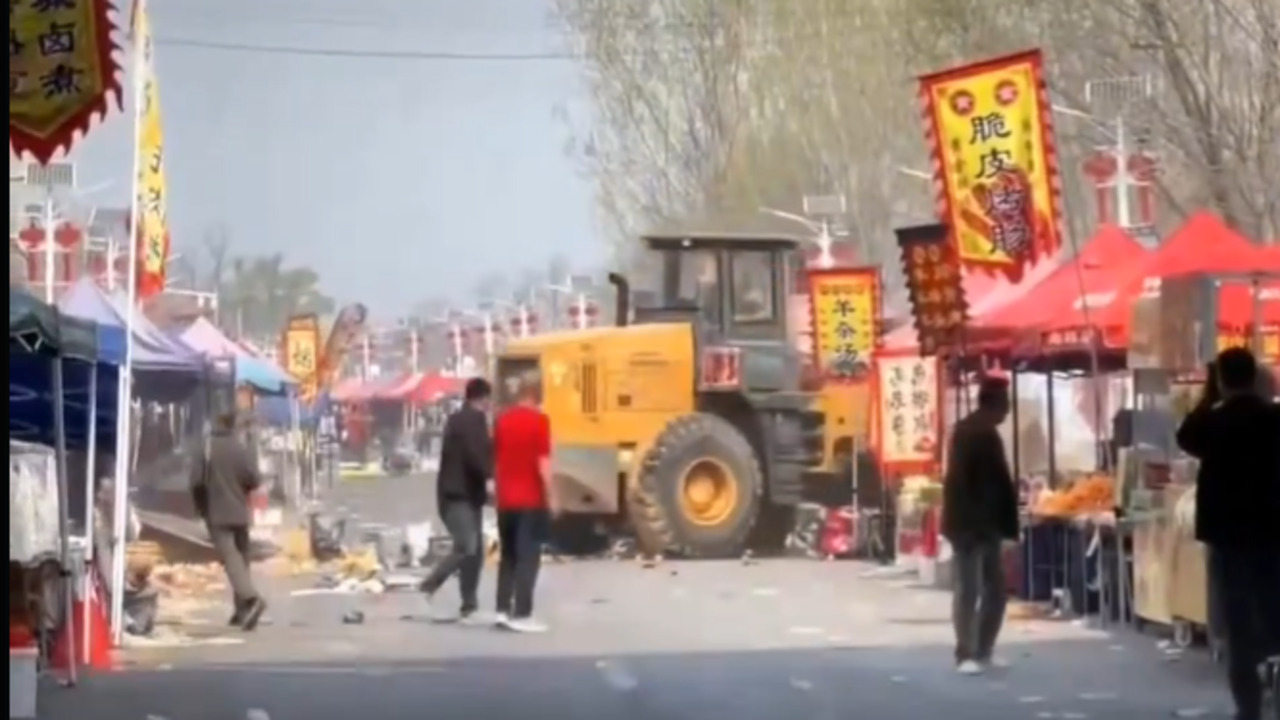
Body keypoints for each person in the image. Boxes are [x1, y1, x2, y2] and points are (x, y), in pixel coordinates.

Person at [1175, 348, 1280, 720]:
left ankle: (1248, 708)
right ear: (1255, 377)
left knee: (1237, 627)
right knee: (1273, 611)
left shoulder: (1212, 424)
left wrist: (1209, 395)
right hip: (1272, 535)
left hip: (1227, 539)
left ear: (1220, 380)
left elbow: (1185, 436)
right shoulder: (1274, 418)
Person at [941, 376, 1019, 675]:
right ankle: (966, 652)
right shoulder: (971, 433)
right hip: (970, 526)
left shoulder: (983, 432)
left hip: (986, 526)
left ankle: (983, 649)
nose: (1008, 412)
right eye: (1006, 405)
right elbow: (962, 485)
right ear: (994, 405)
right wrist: (974, 526)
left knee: (995, 588)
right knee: (969, 588)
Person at [419, 377, 493, 623]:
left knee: (475, 552)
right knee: (466, 546)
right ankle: (429, 585)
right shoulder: (473, 420)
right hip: (458, 495)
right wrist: (492, 478)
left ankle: (469, 604)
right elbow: (477, 456)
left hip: (464, 494)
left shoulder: (458, 419)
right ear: (483, 399)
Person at [190, 411, 267, 630]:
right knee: (242, 559)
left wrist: (200, 508)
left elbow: (196, 482)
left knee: (231, 558)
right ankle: (241, 609)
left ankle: (251, 599)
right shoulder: (240, 447)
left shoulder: (206, 448)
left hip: (216, 512)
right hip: (240, 512)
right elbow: (254, 479)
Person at [492, 371, 556, 633]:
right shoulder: (540, 421)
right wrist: (553, 497)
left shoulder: (502, 421)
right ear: (536, 393)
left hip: (505, 500)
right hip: (530, 499)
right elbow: (543, 463)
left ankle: (501, 609)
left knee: (508, 556)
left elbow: (495, 460)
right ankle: (523, 613)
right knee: (528, 557)